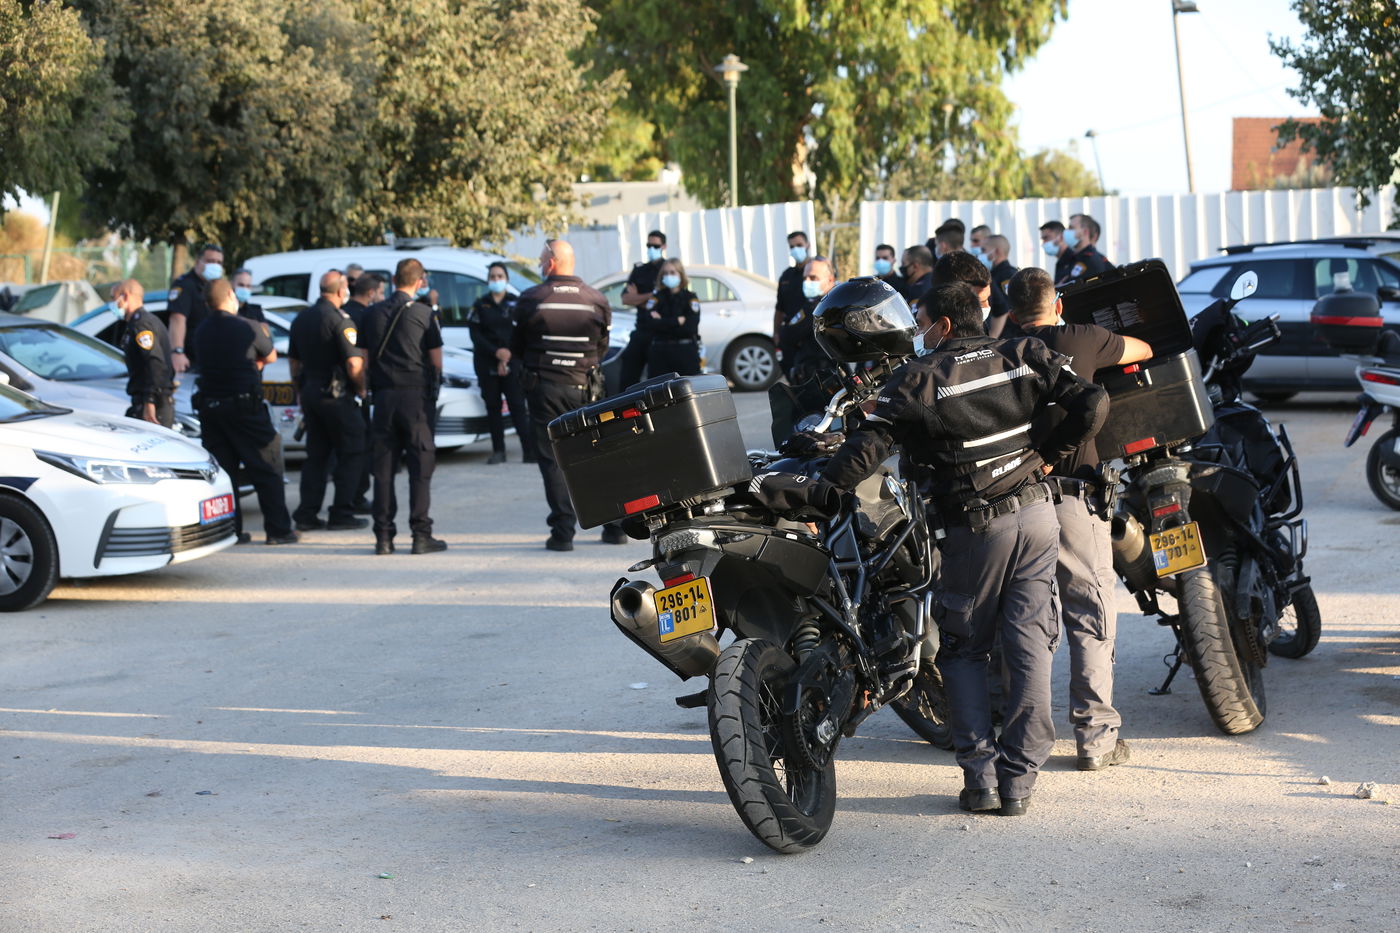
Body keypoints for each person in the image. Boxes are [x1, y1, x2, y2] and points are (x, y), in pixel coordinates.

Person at [820, 281, 1107, 817]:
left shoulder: (919, 378)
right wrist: (1046, 456)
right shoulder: (1024, 352)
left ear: (944, 325)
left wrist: (815, 490)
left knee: (966, 650)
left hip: (978, 531)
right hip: (1040, 516)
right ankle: (1019, 781)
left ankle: (982, 781)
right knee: (1029, 645)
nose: (916, 329)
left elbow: (865, 452)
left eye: (920, 318)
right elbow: (1093, 403)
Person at [1008, 266, 1152, 772]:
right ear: (1058, 305)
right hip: (1071, 501)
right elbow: (1144, 350)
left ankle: (1026, 743)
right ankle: (1096, 741)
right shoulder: (1082, 337)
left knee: (1028, 626)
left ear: (1011, 311)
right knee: (1089, 617)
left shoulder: (999, 349)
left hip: (1014, 506)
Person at [512, 239, 613, 551]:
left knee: (552, 460)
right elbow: (601, 347)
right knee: (596, 456)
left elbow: (518, 345)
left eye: (542, 259)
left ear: (551, 263)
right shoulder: (596, 300)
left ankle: (563, 532)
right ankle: (614, 526)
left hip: (545, 388)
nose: (540, 265)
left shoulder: (532, 299)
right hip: (585, 387)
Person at [193, 278, 297, 545]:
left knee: (224, 474)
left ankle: (231, 531)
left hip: (210, 408)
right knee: (267, 465)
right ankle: (278, 530)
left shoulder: (200, 330)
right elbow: (270, 355)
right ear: (230, 294)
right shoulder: (248, 327)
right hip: (244, 409)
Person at [356, 258, 446, 556]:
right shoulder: (424, 313)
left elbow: (364, 359)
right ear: (420, 281)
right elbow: (436, 362)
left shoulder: (370, 314)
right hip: (415, 398)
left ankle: (383, 537)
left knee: (383, 469)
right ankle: (421, 535)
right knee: (420, 467)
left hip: (383, 398)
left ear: (394, 280)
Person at [288, 270, 369, 534]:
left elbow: (294, 362)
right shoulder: (341, 321)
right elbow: (354, 362)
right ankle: (342, 512)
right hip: (337, 396)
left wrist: (301, 389)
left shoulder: (301, 318)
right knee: (353, 450)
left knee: (317, 456)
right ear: (340, 290)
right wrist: (361, 389)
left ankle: (307, 514)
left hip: (311, 393)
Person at [467, 262, 533, 464]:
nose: (496, 280)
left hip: (513, 362)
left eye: (499, 276)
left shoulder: (516, 303)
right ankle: (498, 451)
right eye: (492, 277)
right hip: (487, 362)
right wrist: (496, 353)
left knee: (517, 407)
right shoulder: (480, 305)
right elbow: (476, 335)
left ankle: (529, 452)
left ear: (506, 279)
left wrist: (508, 354)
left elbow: (524, 332)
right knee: (493, 407)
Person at [342, 273, 383, 512]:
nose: (382, 297)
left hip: (338, 390)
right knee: (360, 446)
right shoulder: (362, 316)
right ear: (371, 293)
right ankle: (355, 497)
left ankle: (350, 497)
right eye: (380, 292)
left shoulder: (343, 313)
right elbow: (359, 358)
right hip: (355, 389)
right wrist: (363, 388)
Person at [111, 279, 175, 428]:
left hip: (154, 406)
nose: (112, 303)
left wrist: (149, 400)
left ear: (125, 296)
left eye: (113, 298)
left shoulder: (142, 324)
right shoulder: (140, 322)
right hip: (146, 402)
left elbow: (155, 363)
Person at [618, 230, 667, 388]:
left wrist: (639, 297)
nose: (651, 248)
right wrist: (651, 295)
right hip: (641, 329)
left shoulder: (667, 270)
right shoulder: (639, 270)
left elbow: (664, 301)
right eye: (648, 245)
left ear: (663, 246)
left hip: (660, 333)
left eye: (655, 246)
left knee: (658, 380)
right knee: (627, 376)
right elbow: (626, 298)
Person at [779, 256, 836, 385]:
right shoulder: (813, 303)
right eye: (805, 278)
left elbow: (788, 335)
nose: (807, 282)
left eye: (813, 278)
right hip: (813, 375)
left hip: (821, 377)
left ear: (830, 280)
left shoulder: (819, 307)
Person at [168, 243, 224, 373]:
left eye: (218, 262)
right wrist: (177, 352)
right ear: (198, 262)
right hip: (192, 360)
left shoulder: (216, 287)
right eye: (210, 261)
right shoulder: (185, 285)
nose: (215, 265)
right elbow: (177, 319)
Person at [644, 259, 702, 377]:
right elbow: (649, 324)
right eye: (665, 273)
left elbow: (690, 327)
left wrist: (661, 321)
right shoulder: (656, 298)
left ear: (680, 274)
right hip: (660, 353)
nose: (668, 276)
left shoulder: (690, 298)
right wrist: (676, 321)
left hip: (685, 352)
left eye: (672, 272)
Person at [773, 230, 810, 378]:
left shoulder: (816, 272)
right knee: (792, 376)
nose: (796, 249)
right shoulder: (787, 275)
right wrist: (776, 333)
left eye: (799, 245)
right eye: (792, 247)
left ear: (808, 245)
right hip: (790, 336)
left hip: (810, 337)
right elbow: (779, 308)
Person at [1058, 214, 1113, 287]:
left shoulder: (1091, 260)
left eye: (1071, 228)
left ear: (1085, 232)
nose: (1067, 232)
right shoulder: (1074, 258)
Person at [984, 235, 1019, 338]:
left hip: (1006, 335)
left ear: (997, 251)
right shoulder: (993, 274)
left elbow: (1008, 307)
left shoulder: (1007, 276)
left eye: (984, 250)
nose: (981, 254)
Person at [1039, 221, 1075, 285]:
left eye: (1046, 238)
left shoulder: (1074, 259)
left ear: (1061, 237)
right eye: (1043, 239)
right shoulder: (1061, 262)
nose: (1043, 243)